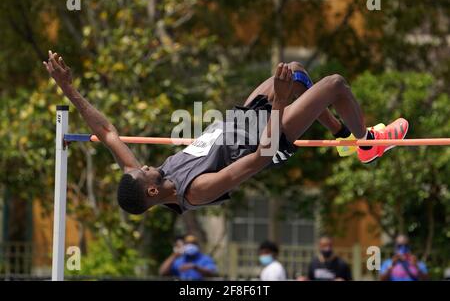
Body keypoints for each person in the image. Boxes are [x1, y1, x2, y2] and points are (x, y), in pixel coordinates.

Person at [44, 50, 409, 215]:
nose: (143, 165)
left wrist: (68, 89)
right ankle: (366, 144)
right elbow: (260, 159)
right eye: (143, 172)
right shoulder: (196, 191)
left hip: (243, 119)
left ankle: (343, 135)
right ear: (151, 190)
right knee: (334, 84)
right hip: (268, 138)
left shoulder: (157, 177)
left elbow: (107, 133)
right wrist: (279, 103)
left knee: (296, 71)